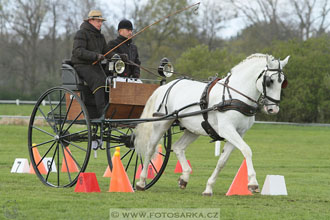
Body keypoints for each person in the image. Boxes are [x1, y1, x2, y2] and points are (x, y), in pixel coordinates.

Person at [71, 10, 110, 118]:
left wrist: (119, 57)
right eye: (98, 21)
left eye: (101, 21)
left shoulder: (100, 37)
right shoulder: (81, 33)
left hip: (95, 66)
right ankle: (102, 113)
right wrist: (95, 56)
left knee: (108, 82)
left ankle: (108, 110)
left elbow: (107, 52)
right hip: (81, 65)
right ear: (90, 20)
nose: (100, 24)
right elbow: (77, 51)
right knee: (98, 82)